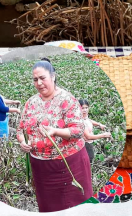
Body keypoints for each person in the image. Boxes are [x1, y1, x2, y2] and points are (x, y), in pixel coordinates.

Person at [17, 58, 93, 212]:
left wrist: (55, 131)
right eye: (35, 79)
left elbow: (78, 130)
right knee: (48, 206)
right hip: (41, 168)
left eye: (43, 78)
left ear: (53, 77)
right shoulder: (31, 102)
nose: (39, 83)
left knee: (75, 205)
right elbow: (21, 129)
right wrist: (22, 141)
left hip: (68, 164)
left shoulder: (67, 100)